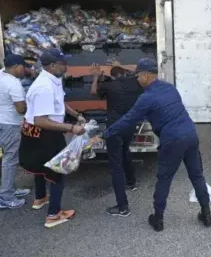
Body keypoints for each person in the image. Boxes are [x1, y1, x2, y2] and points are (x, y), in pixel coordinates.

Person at [95, 58, 211, 231]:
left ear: (146, 76)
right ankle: (207, 214)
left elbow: (127, 120)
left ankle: (157, 219)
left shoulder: (146, 98)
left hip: (173, 140)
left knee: (164, 179)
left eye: (138, 76)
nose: (136, 79)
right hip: (190, 134)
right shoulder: (170, 88)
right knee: (197, 175)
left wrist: (104, 134)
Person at [19, 49, 85, 228]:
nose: (66, 66)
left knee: (41, 167)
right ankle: (53, 215)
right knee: (57, 172)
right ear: (53, 65)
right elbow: (41, 121)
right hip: (43, 133)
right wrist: (71, 128)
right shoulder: (44, 87)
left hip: (37, 132)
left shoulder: (52, 80)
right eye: (63, 63)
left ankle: (40, 198)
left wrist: (75, 114)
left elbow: (59, 101)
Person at [89, 63, 143, 217]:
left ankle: (123, 207)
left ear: (112, 76)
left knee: (115, 165)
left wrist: (95, 77)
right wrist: (122, 66)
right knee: (126, 152)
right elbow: (138, 72)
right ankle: (131, 183)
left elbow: (93, 92)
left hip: (114, 127)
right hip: (130, 124)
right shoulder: (135, 83)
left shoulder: (108, 85)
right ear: (124, 73)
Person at [0, 54, 31, 209]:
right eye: (23, 67)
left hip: (1, 121)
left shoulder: (1, 74)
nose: (24, 70)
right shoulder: (14, 84)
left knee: (7, 158)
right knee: (10, 160)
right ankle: (6, 196)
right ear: (16, 67)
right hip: (9, 124)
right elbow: (21, 109)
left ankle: (9, 190)